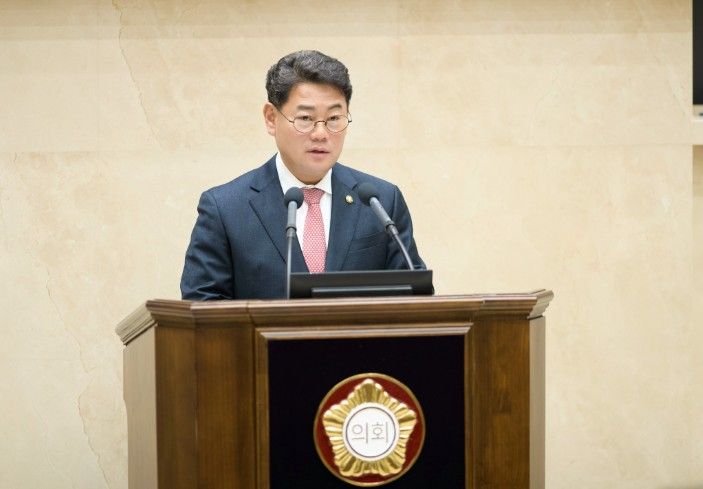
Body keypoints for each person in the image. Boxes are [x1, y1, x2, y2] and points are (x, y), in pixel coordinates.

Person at [180, 50, 425, 300]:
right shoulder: (225, 209)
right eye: (305, 118)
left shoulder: (380, 202)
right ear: (271, 118)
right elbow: (203, 304)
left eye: (334, 118)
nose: (321, 134)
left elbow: (413, 297)